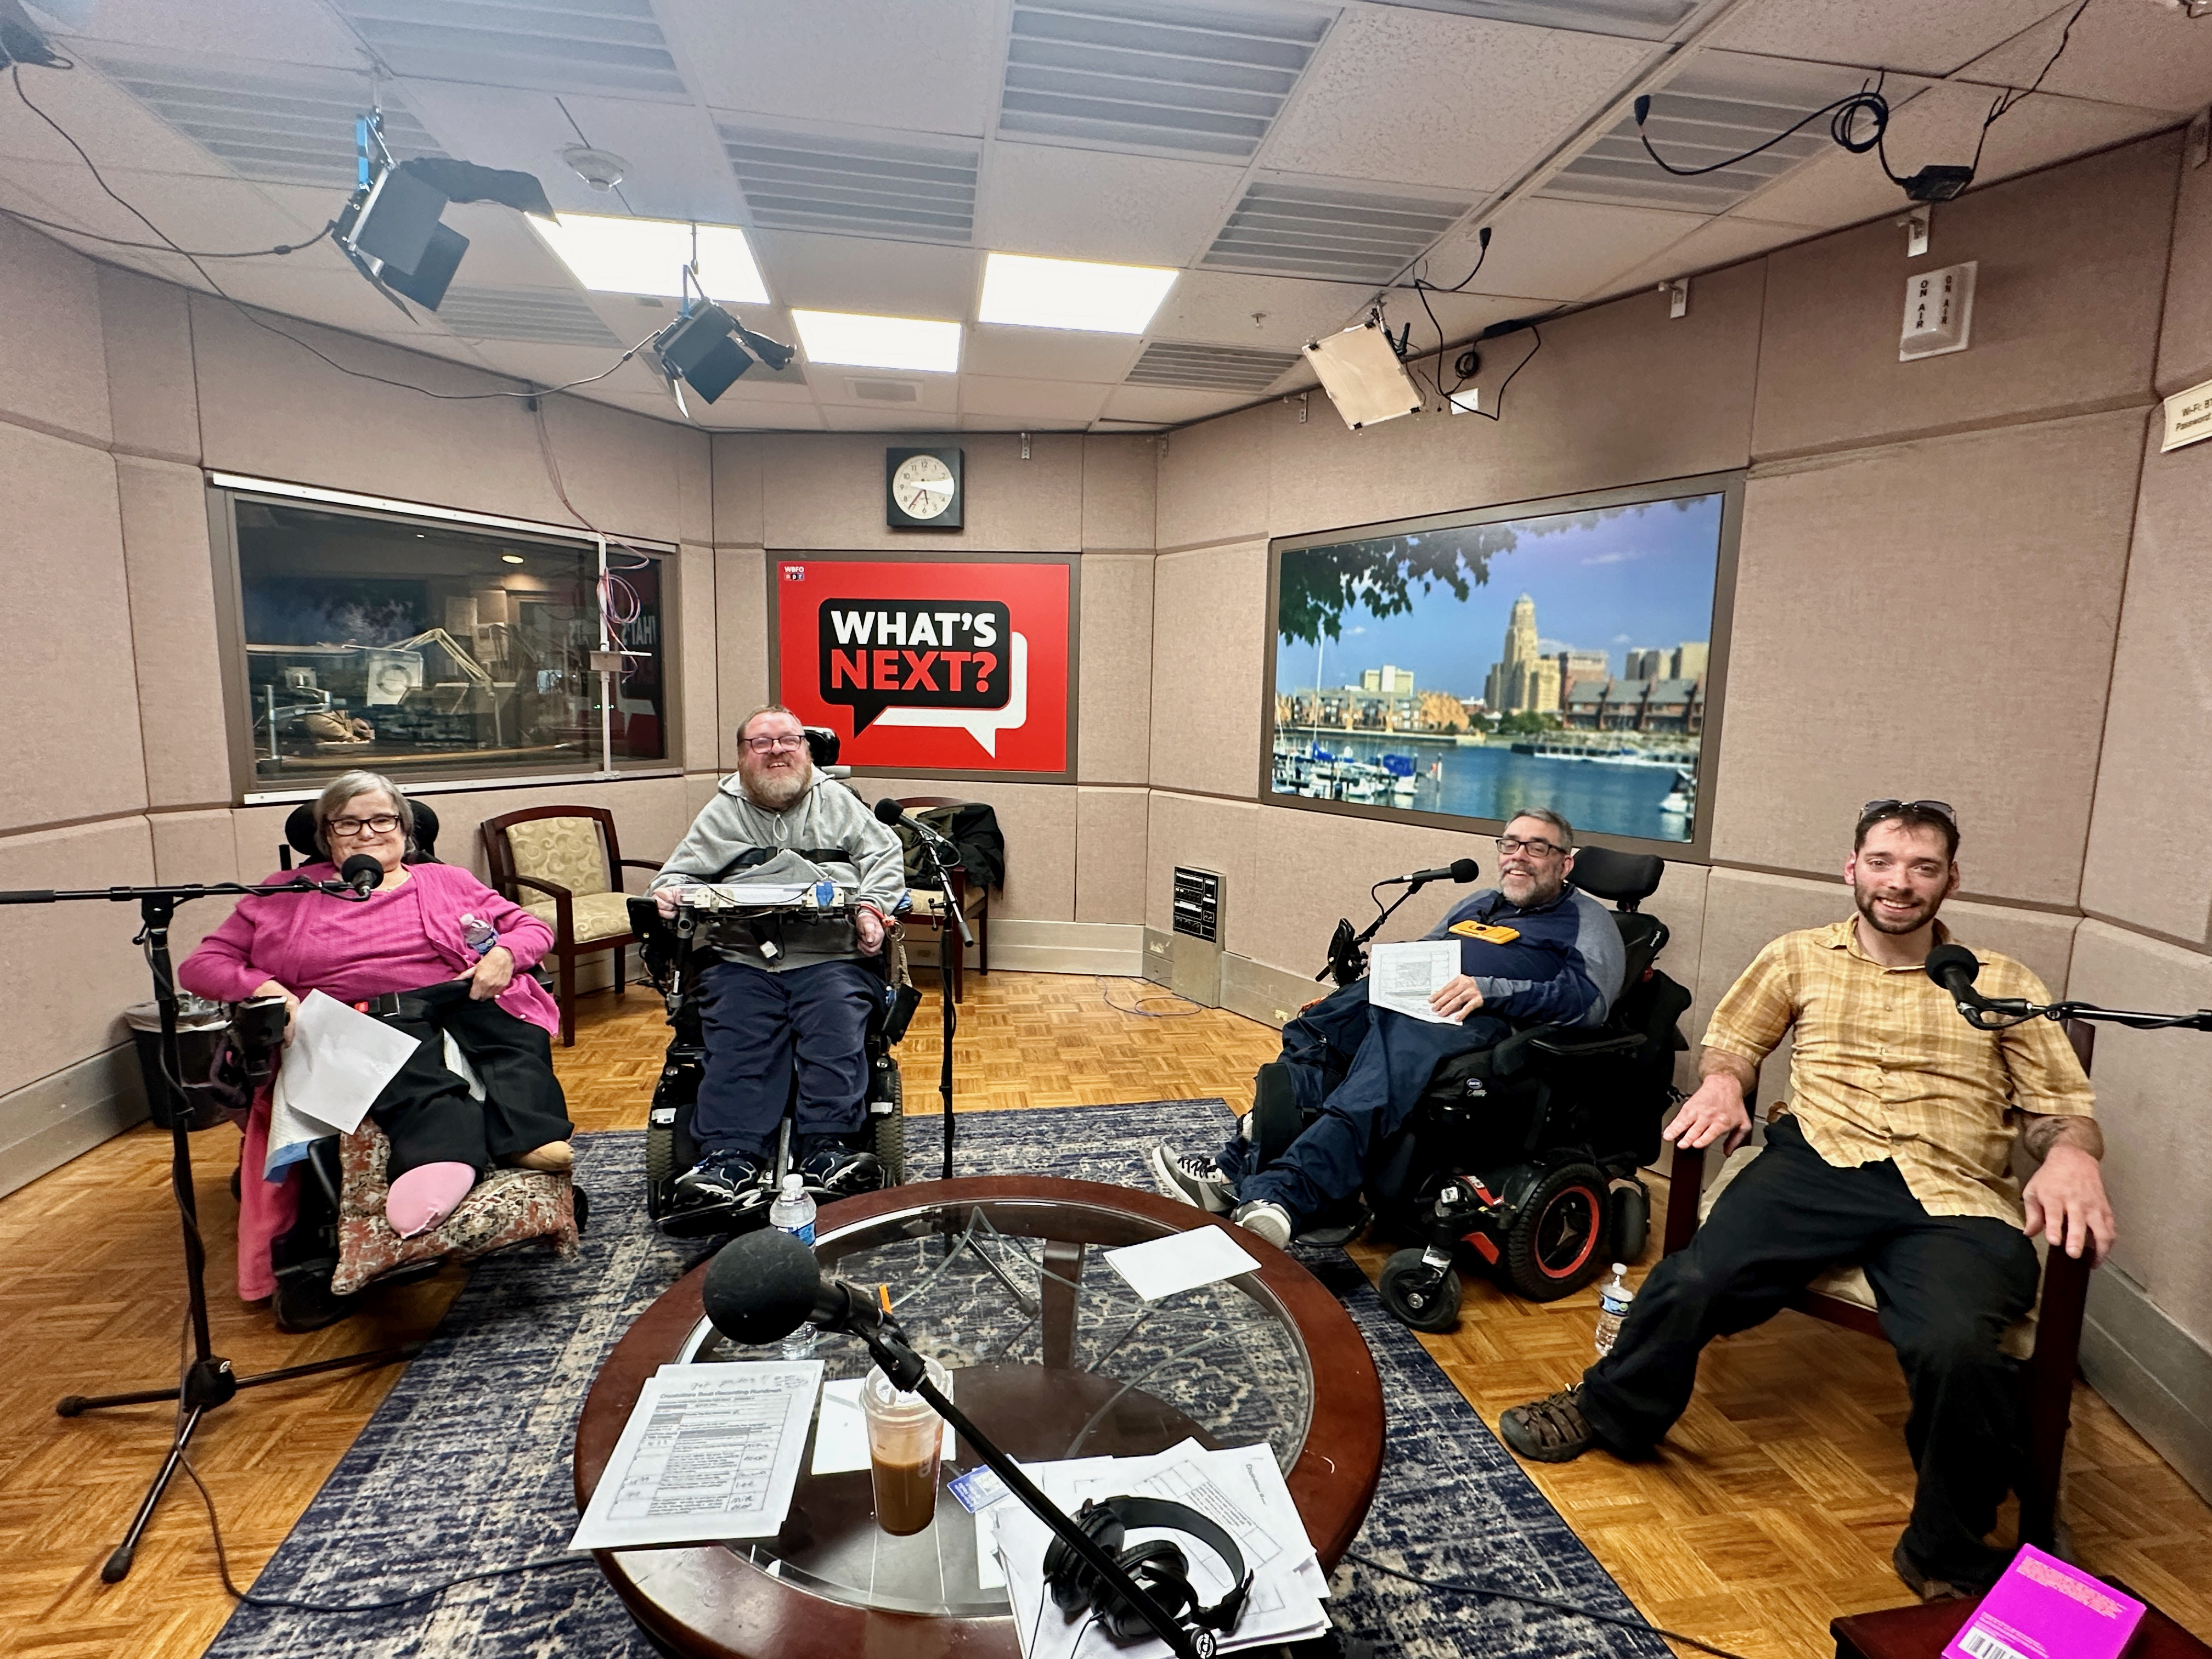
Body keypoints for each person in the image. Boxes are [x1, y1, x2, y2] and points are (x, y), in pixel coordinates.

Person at [1497, 799, 2115, 1602]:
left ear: (1951, 880)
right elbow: (1736, 1040)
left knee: (1961, 1347)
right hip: (1820, 1162)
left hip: (1951, 1189)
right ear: (1852, 869)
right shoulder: (1799, 956)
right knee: (1692, 1280)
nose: (1901, 883)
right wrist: (1723, 1082)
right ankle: (1614, 1410)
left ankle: (1947, 1553)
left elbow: (2059, 1104)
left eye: (1923, 867)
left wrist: (2070, 1152)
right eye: (1884, 863)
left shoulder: (2000, 982)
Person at [1149, 809, 1625, 1248]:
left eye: (1536, 847)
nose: (1519, 856)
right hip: (1411, 998)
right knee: (1316, 1028)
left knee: (1375, 1079)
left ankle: (1286, 1195)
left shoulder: (1587, 921)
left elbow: (1589, 1001)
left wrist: (1492, 989)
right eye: (1510, 844)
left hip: (1476, 1019)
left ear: (1566, 863)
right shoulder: (1482, 900)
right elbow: (1429, 949)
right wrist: (1395, 962)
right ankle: (1237, 1169)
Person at [181, 770, 575, 1239]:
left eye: (382, 820)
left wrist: (506, 955)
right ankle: (441, 1157)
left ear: (406, 829)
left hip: (461, 991)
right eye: (348, 823)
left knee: (512, 1029)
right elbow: (202, 964)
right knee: (403, 1045)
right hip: (367, 1008)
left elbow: (530, 927)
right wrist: (266, 987)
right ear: (327, 835)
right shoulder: (288, 892)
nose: (367, 833)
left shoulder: (448, 879)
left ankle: (527, 1139)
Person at [650, 705, 906, 1206]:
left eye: (788, 741)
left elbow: (884, 858)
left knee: (835, 1022)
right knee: (739, 1031)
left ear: (806, 750)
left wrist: (872, 909)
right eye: (762, 743)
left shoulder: (839, 802)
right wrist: (670, 893)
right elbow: (675, 876)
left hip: (830, 956)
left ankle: (828, 1147)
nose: (777, 751)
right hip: (746, 957)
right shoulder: (723, 810)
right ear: (743, 756)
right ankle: (729, 1157)